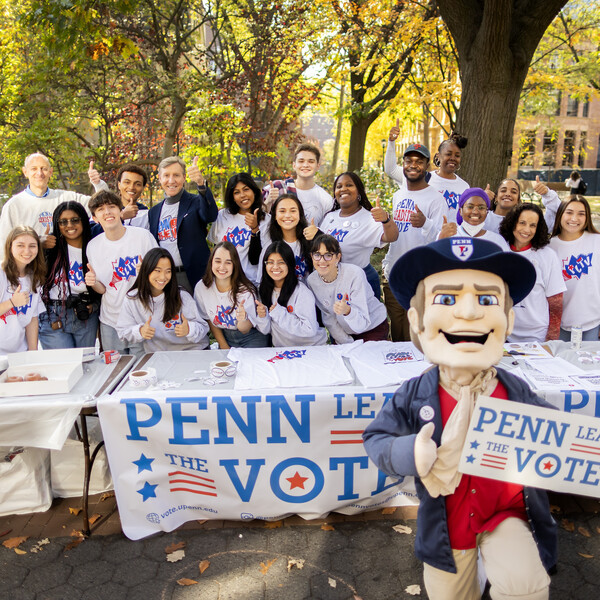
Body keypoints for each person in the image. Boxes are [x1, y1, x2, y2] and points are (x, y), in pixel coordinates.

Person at [363, 237, 556, 600]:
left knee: (524, 586)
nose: (468, 313)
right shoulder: (416, 393)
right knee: (450, 595)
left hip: (506, 513)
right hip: (447, 524)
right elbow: (377, 438)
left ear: (508, 319)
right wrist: (410, 452)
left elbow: (555, 434)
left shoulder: (513, 389)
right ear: (418, 321)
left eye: (486, 300)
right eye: (447, 299)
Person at [380, 143, 445, 341]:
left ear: (426, 165)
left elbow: (443, 237)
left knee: (417, 333)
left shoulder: (435, 199)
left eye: (419, 161)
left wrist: (426, 223)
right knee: (398, 331)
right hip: (395, 273)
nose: (413, 165)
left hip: (420, 278)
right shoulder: (399, 194)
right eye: (409, 161)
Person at [85, 190, 158, 355]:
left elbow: (161, 276)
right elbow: (103, 289)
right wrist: (93, 282)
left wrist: (147, 273)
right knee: (115, 371)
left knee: (143, 370)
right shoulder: (93, 246)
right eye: (101, 209)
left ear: (120, 210)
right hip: (111, 321)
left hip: (142, 318)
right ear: (95, 218)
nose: (107, 212)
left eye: (111, 207)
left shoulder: (143, 237)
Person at [0, 154, 106, 259]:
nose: (39, 173)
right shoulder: (14, 205)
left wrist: (98, 184)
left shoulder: (66, 198)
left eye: (44, 169)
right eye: (34, 169)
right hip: (29, 271)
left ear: (50, 172)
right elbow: (4, 246)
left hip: (62, 269)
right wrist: (38, 243)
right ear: (25, 172)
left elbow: (100, 205)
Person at [315, 172, 398, 299]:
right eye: (339, 186)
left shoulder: (369, 218)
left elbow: (392, 237)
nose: (343, 189)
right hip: (330, 280)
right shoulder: (329, 217)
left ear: (359, 191)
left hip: (361, 281)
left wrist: (386, 220)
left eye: (349, 185)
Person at [148, 156, 218, 293]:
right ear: (160, 178)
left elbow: (210, 215)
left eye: (176, 175)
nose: (171, 180)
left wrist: (201, 183)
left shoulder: (196, 202)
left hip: (194, 276)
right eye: (166, 175)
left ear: (184, 177)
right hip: (165, 278)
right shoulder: (154, 212)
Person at [116, 248, 208, 353]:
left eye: (168, 271)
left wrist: (189, 329)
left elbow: (203, 327)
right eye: (157, 270)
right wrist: (140, 331)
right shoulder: (132, 299)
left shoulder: (181, 296)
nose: (163, 277)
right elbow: (122, 331)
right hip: (158, 356)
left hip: (191, 351)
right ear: (146, 270)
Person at [499, 203, 565, 342]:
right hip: (503, 333)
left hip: (536, 335)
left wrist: (551, 339)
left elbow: (556, 302)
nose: (526, 229)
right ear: (512, 223)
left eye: (532, 225)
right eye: (522, 223)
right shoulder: (500, 250)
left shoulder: (547, 255)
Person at [39, 202, 100, 349]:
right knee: (61, 364)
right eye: (63, 222)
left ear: (84, 221)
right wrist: (38, 244)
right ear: (57, 224)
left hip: (85, 312)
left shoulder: (95, 247)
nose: (69, 225)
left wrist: (95, 305)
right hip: (53, 312)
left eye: (75, 220)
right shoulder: (50, 247)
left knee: (85, 365)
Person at [307, 234, 388, 344]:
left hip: (371, 327)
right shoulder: (312, 280)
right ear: (311, 256)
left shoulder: (354, 274)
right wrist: (346, 342)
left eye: (328, 255)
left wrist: (348, 311)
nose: (322, 261)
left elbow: (362, 322)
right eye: (317, 255)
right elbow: (328, 317)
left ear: (338, 257)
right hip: (343, 331)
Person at [385, 124, 470, 222]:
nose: (453, 158)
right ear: (438, 156)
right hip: (425, 235)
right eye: (448, 154)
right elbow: (391, 169)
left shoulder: (464, 187)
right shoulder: (420, 177)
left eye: (457, 156)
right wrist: (391, 142)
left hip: (451, 236)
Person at [194, 241, 269, 349]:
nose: (222, 267)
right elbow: (208, 319)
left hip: (251, 336)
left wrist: (242, 319)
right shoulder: (202, 288)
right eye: (218, 261)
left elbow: (245, 329)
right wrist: (224, 345)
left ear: (235, 265)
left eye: (228, 262)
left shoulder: (245, 291)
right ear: (211, 262)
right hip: (225, 337)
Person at [549, 196, 600, 342]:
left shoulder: (596, 241)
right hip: (560, 325)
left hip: (593, 324)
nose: (574, 218)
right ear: (560, 215)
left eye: (581, 214)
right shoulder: (549, 247)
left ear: (587, 217)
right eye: (569, 212)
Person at [257, 241, 327, 346]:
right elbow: (266, 330)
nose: (275, 267)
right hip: (284, 351)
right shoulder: (263, 290)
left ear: (290, 264)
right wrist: (262, 317)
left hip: (312, 348)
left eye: (281, 262)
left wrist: (280, 313)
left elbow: (309, 330)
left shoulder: (301, 291)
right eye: (270, 262)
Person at [207, 173, 269, 284]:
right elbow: (215, 252)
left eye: (246, 189)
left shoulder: (266, 220)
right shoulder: (222, 216)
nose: (242, 195)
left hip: (251, 283)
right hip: (224, 282)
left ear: (254, 191)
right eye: (236, 192)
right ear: (232, 197)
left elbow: (256, 260)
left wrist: (255, 229)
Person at [263, 142, 333, 226]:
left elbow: (326, 231)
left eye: (311, 161)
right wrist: (269, 201)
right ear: (294, 165)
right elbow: (257, 218)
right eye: (301, 161)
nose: (305, 165)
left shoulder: (325, 199)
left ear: (318, 166)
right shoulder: (277, 188)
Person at [0, 226, 46, 354]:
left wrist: (32, 353)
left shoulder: (34, 277)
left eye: (32, 246)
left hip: (19, 352)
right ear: (10, 247)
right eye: (20, 245)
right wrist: (12, 303)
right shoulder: (1, 274)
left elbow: (32, 318)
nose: (27, 251)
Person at [258, 193, 313, 282]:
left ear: (300, 214)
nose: (287, 215)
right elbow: (262, 281)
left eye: (293, 211)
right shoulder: (270, 246)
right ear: (275, 215)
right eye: (282, 211)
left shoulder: (310, 242)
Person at [439, 188, 509, 250]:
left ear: (487, 212)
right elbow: (434, 262)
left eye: (481, 208)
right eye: (470, 207)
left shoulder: (497, 241)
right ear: (460, 211)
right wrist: (441, 241)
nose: (475, 212)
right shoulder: (448, 235)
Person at [485, 177, 560, 234]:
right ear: (496, 197)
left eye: (513, 192)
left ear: (518, 200)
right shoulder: (483, 217)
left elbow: (558, 215)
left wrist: (547, 194)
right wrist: (480, 198)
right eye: (503, 190)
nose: (508, 194)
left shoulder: (525, 221)